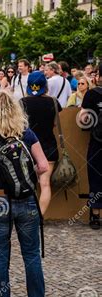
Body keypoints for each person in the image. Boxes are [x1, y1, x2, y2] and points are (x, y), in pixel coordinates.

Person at [0, 90, 49, 297]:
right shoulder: (27, 134)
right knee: (31, 255)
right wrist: (27, 174)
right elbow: (44, 165)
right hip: (27, 200)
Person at [21, 71, 61, 216]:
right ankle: (39, 216)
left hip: (28, 148)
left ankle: (27, 216)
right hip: (49, 146)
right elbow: (55, 124)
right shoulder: (53, 102)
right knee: (45, 184)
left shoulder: (23, 103)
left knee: (27, 183)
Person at [78, 65, 102, 229]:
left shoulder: (92, 95)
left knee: (95, 178)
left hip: (97, 143)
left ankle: (95, 215)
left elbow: (84, 124)